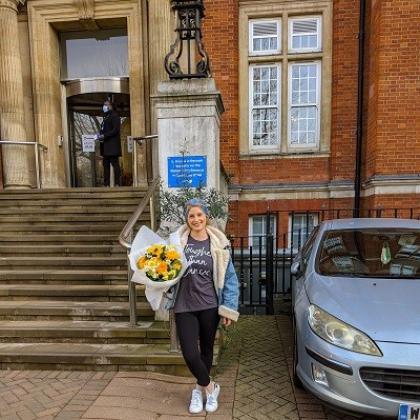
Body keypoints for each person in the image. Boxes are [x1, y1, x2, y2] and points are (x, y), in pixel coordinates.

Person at [168, 198, 239, 414]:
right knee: (190, 353)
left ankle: (198, 391)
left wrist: (228, 307)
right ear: (187, 219)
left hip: (209, 304)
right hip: (184, 305)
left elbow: (230, 278)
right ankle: (211, 387)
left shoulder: (219, 243)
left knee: (207, 351)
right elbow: (166, 269)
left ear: (206, 216)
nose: (196, 219)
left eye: (199, 214)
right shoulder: (177, 242)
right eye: (191, 215)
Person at [97, 99, 121, 186]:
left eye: (106, 104)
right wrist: (99, 135)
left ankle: (117, 183)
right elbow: (104, 129)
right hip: (105, 146)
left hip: (112, 146)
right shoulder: (105, 117)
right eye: (104, 104)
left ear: (111, 106)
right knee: (105, 165)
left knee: (115, 165)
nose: (104, 106)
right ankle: (106, 184)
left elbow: (115, 130)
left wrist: (104, 135)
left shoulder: (115, 116)